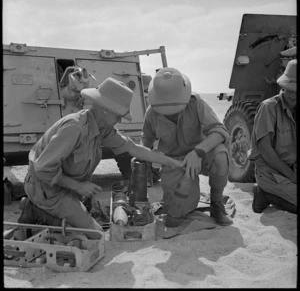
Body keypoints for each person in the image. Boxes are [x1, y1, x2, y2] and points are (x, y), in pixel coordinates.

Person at [19, 77, 184, 239]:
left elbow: (132, 148)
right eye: (118, 115)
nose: (120, 120)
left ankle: (70, 210)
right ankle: (34, 209)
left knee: (93, 217)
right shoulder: (74, 128)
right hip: (47, 189)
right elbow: (43, 168)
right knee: (96, 234)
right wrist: (78, 186)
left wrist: (171, 162)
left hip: (67, 188)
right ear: (105, 110)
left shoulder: (101, 127)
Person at [141, 67, 233, 227]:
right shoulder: (151, 114)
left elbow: (220, 131)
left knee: (220, 155)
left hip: (201, 157)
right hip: (174, 163)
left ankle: (216, 204)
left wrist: (198, 152)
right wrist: (147, 164)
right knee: (175, 217)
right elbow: (146, 142)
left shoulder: (196, 103)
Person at [249, 59, 297, 214]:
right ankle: (264, 194)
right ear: (282, 86)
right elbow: (265, 150)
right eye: (290, 89)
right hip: (270, 172)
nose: (293, 95)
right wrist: (292, 176)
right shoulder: (268, 108)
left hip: (292, 167)